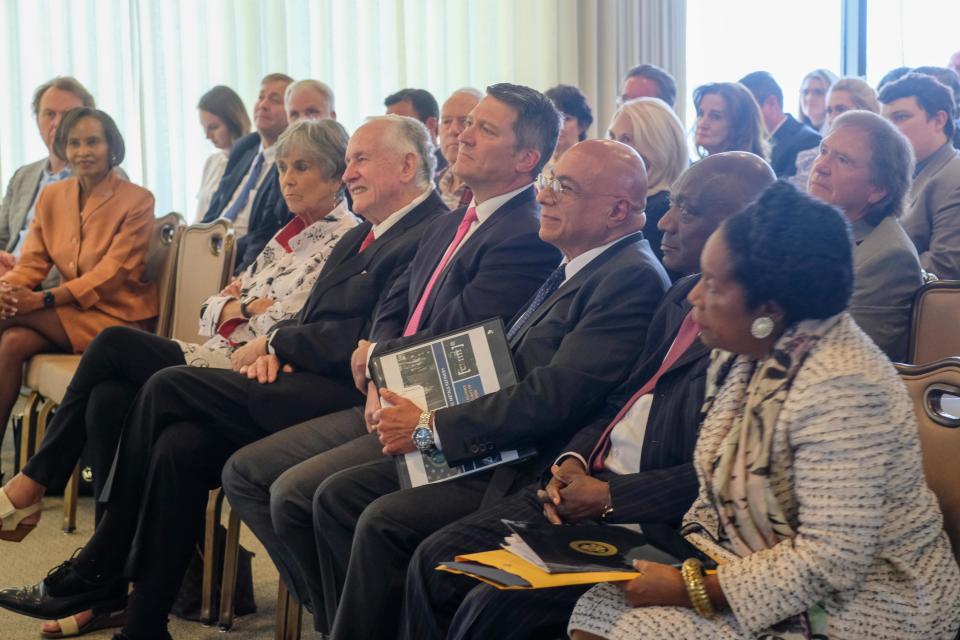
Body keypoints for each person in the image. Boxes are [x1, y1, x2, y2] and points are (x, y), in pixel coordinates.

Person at [0, 115, 449, 640]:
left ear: (409, 164)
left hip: (332, 389)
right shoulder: (358, 238)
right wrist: (268, 333)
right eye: (347, 161)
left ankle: (99, 555)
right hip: (274, 365)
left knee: (149, 375)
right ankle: (142, 622)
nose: (350, 173)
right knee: (174, 441)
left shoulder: (404, 233)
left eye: (357, 161)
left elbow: (346, 335)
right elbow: (239, 313)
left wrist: (273, 340)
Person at [220, 82, 565, 635]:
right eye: (466, 122)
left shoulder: (524, 234)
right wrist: (374, 358)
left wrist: (377, 360)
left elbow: (460, 332)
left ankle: (352, 623)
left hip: (441, 414)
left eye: (485, 128)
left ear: (526, 159)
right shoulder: (454, 220)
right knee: (252, 475)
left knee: (303, 493)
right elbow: (397, 307)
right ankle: (342, 618)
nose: (463, 133)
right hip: (387, 393)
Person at [401, 151, 777, 640]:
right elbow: (617, 399)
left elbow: (712, 475)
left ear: (741, 229)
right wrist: (575, 461)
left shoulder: (748, 336)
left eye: (686, 210)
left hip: (650, 517)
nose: (662, 221)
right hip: (581, 483)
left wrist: (609, 496)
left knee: (492, 607)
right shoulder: (680, 297)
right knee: (437, 560)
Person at [565, 181, 960, 640]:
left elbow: (832, 558)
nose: (694, 298)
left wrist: (692, 587)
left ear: (768, 308)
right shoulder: (762, 352)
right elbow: (717, 490)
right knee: (596, 606)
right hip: (753, 566)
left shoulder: (843, 388)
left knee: (641, 631)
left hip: (868, 603)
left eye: (713, 285)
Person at [0, 107, 156, 474]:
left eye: (93, 142)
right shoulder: (52, 198)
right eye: (74, 143)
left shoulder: (138, 199)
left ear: (111, 146)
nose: (83, 151)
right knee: (10, 343)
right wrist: (6, 291)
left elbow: (111, 274)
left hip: (118, 321)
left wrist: (44, 298)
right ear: (63, 148)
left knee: (10, 322)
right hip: (70, 316)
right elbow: (32, 264)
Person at [807, 110, 922, 362]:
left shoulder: (888, 257)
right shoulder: (806, 226)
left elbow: (843, 359)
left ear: (877, 189)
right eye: (823, 151)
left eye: (843, 160)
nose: (822, 166)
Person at [0, 77, 96, 285]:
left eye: (68, 114)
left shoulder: (103, 177)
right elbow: (2, 237)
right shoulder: (22, 177)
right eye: (49, 114)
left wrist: (23, 271)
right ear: (38, 120)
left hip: (49, 287)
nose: (57, 123)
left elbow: (91, 254)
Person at [202, 73, 294, 273]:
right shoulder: (244, 148)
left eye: (275, 100)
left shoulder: (290, 164)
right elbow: (216, 206)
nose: (263, 104)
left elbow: (267, 233)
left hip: (240, 260)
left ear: (292, 113)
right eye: (261, 97)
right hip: (210, 249)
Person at [880, 72, 960, 280]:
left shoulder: (955, 177)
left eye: (901, 117)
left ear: (939, 120)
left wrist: (867, 264)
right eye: (885, 121)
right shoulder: (896, 172)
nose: (889, 130)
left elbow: (944, 267)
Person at [607, 97, 688, 268]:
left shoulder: (660, 209)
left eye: (626, 139)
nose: (613, 146)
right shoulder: (626, 200)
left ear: (656, 147)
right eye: (613, 136)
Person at [791, 77, 880, 189]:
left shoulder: (879, 158)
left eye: (841, 109)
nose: (832, 119)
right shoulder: (811, 157)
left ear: (866, 112)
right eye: (829, 111)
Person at [740, 71, 820, 177]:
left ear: (772, 103)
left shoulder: (807, 141)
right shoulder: (748, 141)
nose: (742, 117)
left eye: (747, 109)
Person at [194, 85, 251, 222]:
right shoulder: (212, 162)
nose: (207, 136)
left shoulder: (253, 163)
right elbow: (199, 215)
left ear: (234, 123)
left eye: (213, 127)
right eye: (204, 127)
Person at [692, 82, 767, 159]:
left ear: (739, 125)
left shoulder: (751, 169)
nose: (702, 124)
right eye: (701, 114)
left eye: (715, 116)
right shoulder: (696, 168)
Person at [435, 88, 482, 209]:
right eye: (446, 121)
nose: (453, 130)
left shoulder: (488, 189)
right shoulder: (431, 183)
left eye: (465, 122)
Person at [385, 88, 446, 173]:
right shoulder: (392, 169)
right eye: (389, 126)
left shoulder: (451, 171)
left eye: (402, 125)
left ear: (431, 125)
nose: (393, 133)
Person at [544, 84, 594, 171]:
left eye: (566, 119)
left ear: (583, 125)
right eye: (552, 118)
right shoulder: (537, 164)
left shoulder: (589, 165)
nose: (558, 125)